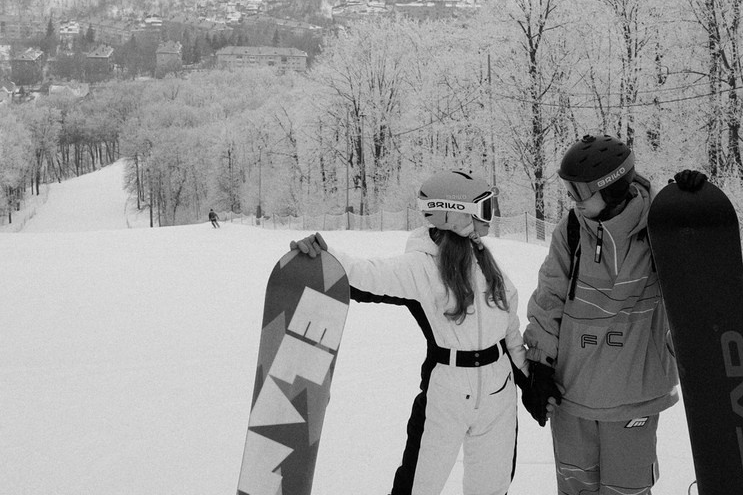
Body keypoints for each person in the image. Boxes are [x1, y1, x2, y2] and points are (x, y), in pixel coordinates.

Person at [292, 169, 525, 495]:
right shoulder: (422, 266)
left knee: (492, 487)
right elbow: (366, 275)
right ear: (456, 215)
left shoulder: (484, 258)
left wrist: (529, 378)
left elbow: (509, 324)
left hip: (499, 391)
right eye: (485, 208)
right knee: (418, 486)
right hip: (448, 391)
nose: (492, 217)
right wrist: (322, 258)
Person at [521, 134, 707, 495]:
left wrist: (691, 213)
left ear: (611, 190)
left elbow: (698, 281)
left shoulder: (658, 226)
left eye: (579, 192)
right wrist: (540, 366)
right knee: (575, 489)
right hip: (572, 395)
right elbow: (549, 298)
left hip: (632, 398)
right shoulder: (572, 230)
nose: (572, 201)